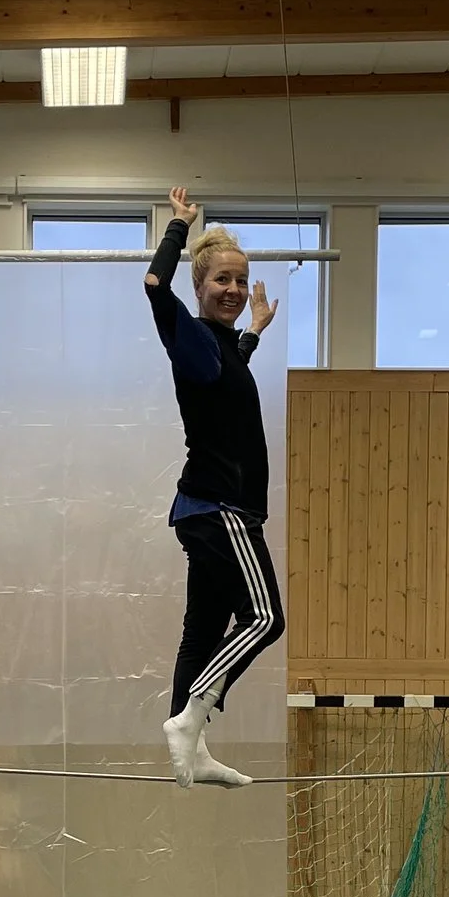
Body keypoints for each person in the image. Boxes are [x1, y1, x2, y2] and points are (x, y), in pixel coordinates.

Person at [145, 186, 285, 787]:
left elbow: (229, 373)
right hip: (221, 508)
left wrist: (254, 330)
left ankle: (192, 743)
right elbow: (155, 286)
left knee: (203, 630)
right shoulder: (191, 337)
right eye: (222, 280)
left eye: (240, 280)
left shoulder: (220, 349)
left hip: (207, 509)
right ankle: (191, 716)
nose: (233, 289)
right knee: (264, 618)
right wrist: (179, 226)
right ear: (199, 286)